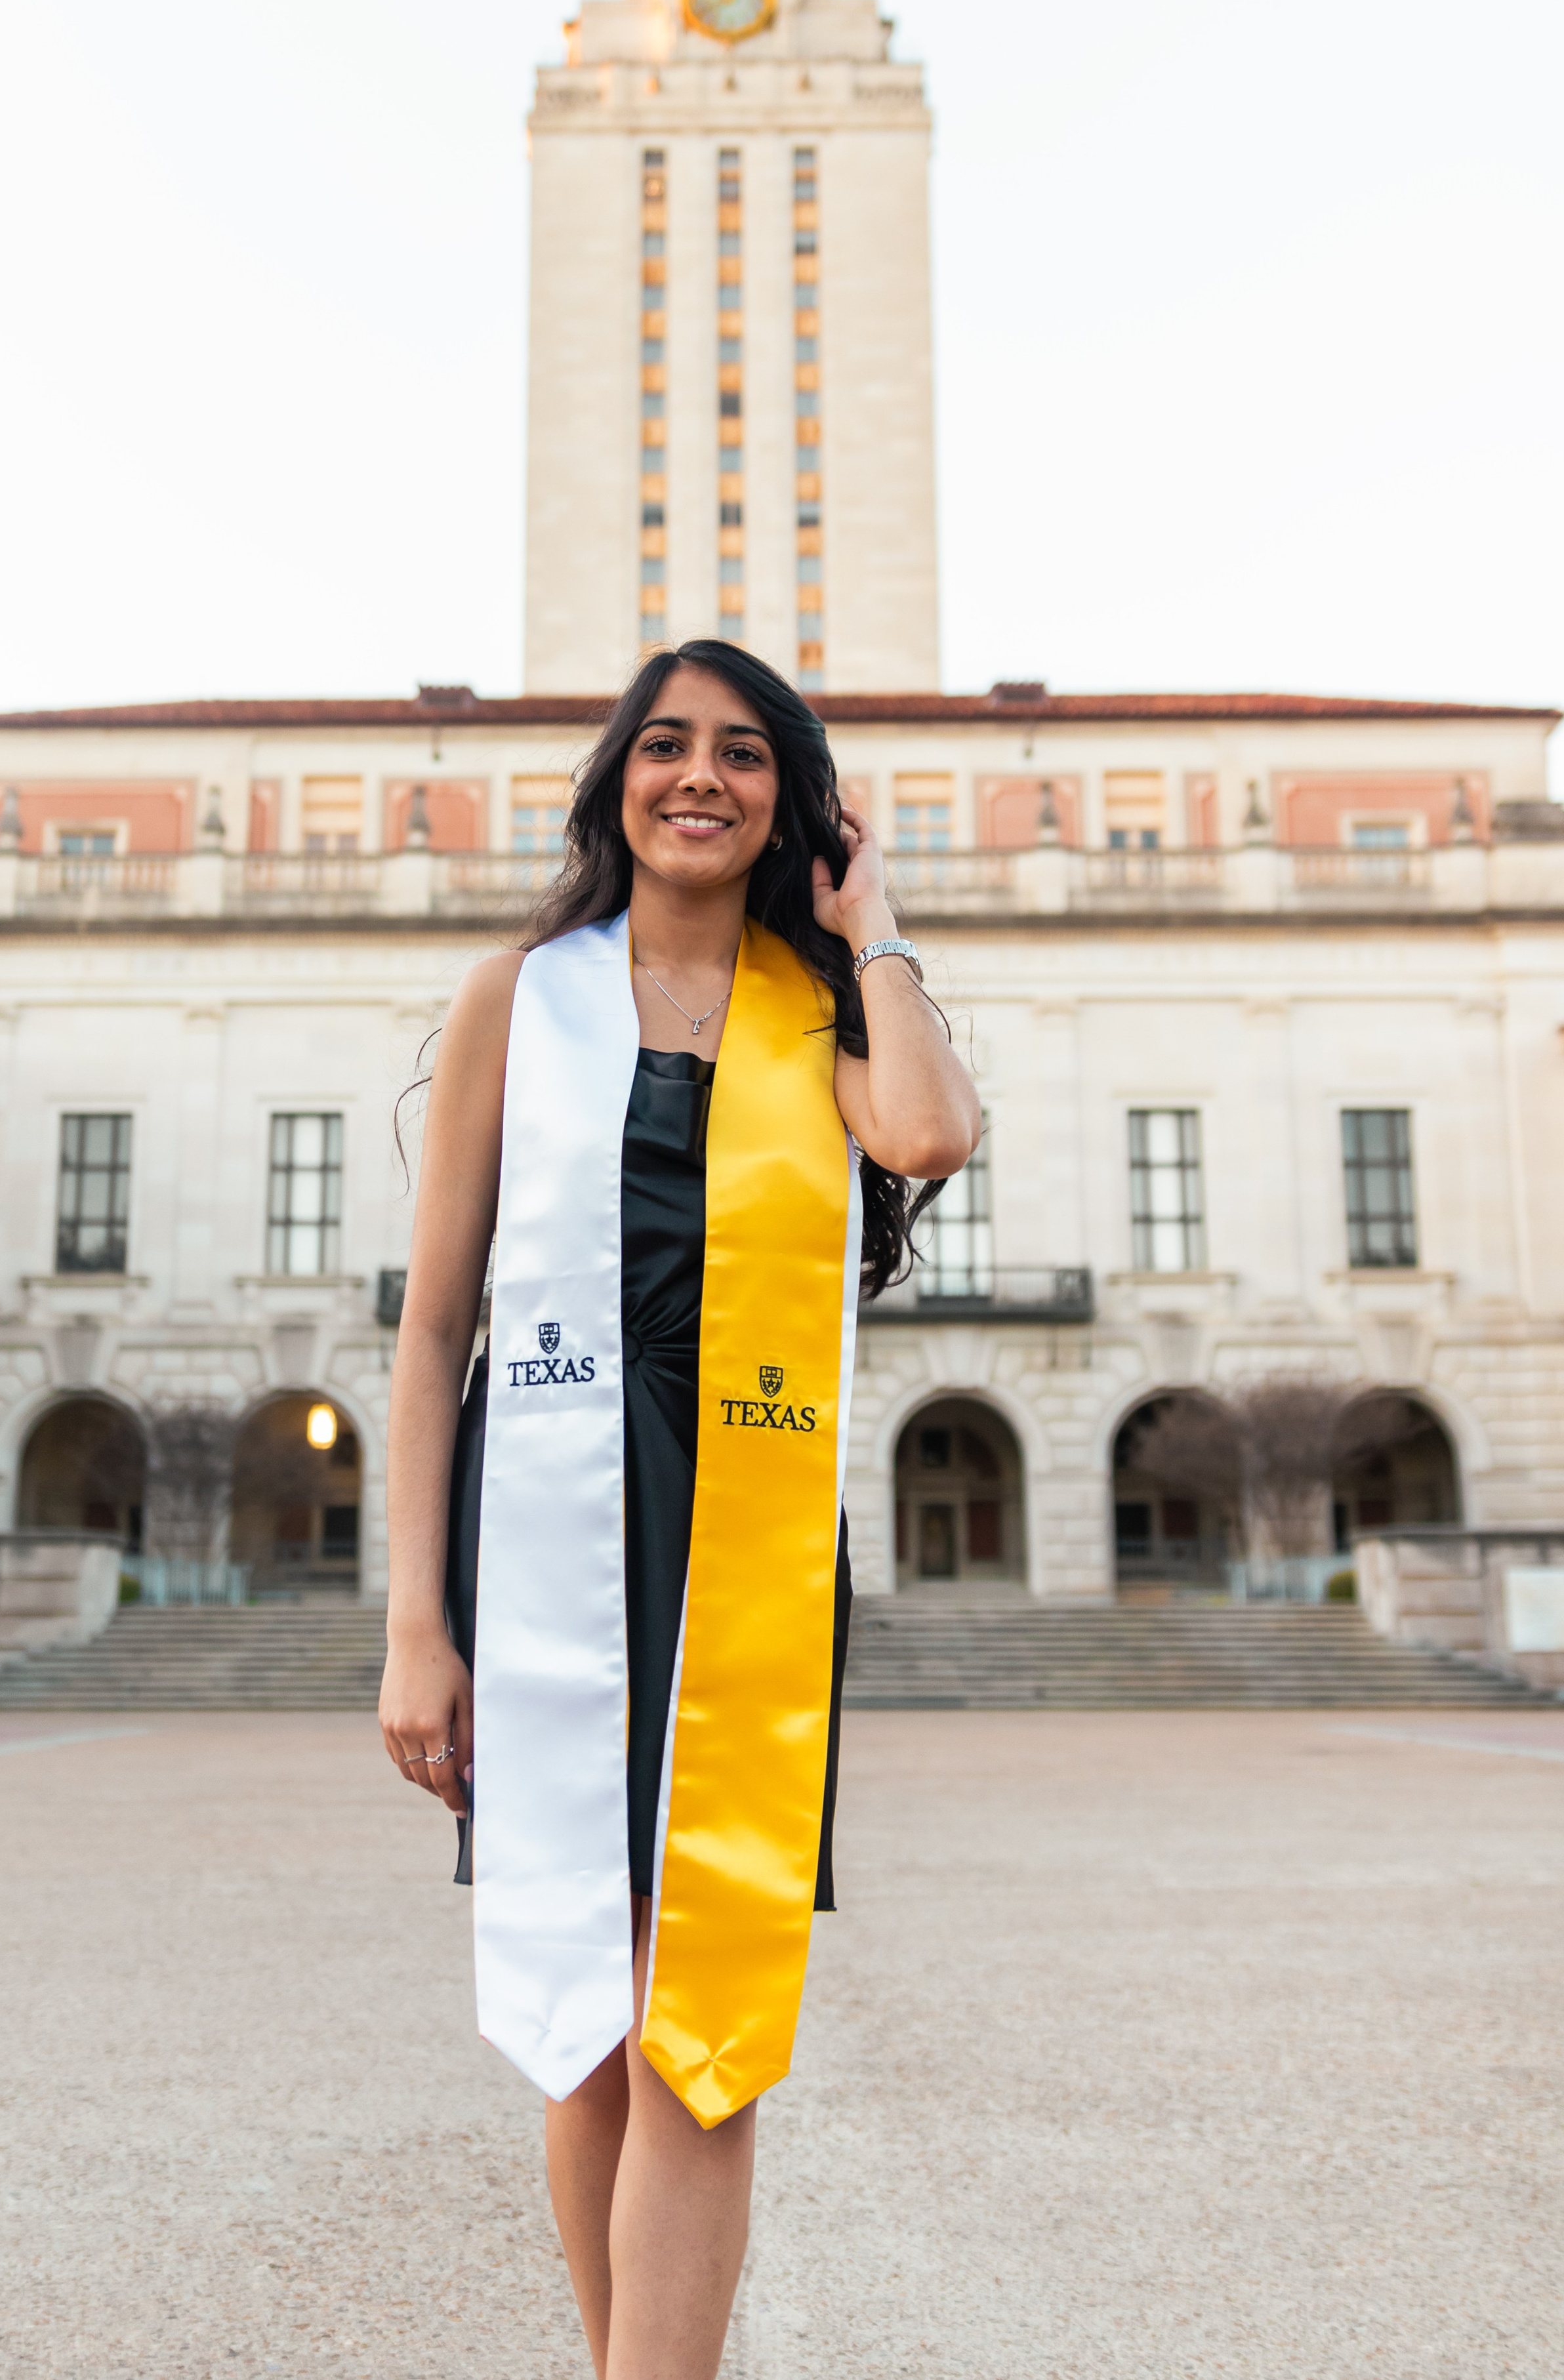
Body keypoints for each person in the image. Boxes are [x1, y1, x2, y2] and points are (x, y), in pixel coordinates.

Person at [380, 640, 979, 2380]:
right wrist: (417, 1625)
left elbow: (929, 1134)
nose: (697, 777)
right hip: (543, 1513)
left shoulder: (823, 1005)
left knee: (696, 2017)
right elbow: (430, 1333)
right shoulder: (521, 994)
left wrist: (874, 928)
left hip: (752, 1538)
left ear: (792, 799)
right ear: (616, 780)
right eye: (664, 746)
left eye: (741, 754)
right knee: (587, 2022)